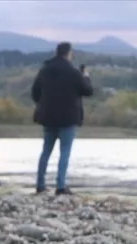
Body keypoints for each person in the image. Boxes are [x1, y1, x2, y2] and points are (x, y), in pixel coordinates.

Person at [31, 42, 93, 195]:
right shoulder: (73, 72)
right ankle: (60, 186)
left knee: (46, 151)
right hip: (68, 118)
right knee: (64, 152)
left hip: (48, 117)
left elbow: (35, 92)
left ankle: (40, 184)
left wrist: (43, 104)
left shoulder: (44, 71)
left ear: (56, 52)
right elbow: (88, 91)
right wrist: (86, 77)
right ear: (69, 53)